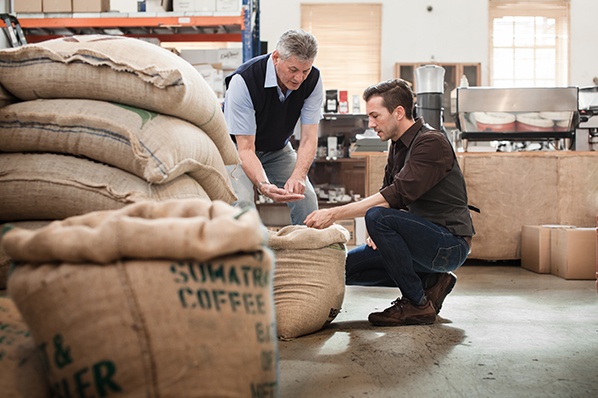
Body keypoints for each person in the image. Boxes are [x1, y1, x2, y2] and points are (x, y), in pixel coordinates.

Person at [305, 78, 476, 326]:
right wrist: (383, 234)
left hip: (449, 245)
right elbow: (389, 196)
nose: (370, 123)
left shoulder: (431, 142)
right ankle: (432, 282)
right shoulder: (397, 146)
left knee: (376, 216)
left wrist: (334, 214)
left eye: (375, 115)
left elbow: (395, 195)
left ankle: (417, 303)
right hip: (421, 240)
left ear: (398, 112)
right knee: (346, 268)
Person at [223, 29, 324, 225]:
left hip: (278, 149)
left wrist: (299, 176)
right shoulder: (244, 80)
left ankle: (305, 251)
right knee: (243, 204)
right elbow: (246, 148)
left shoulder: (313, 80)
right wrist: (263, 185)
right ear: (276, 57)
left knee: (307, 198)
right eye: (293, 70)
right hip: (237, 149)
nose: (299, 78)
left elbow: (309, 137)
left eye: (305, 71)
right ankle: (247, 252)